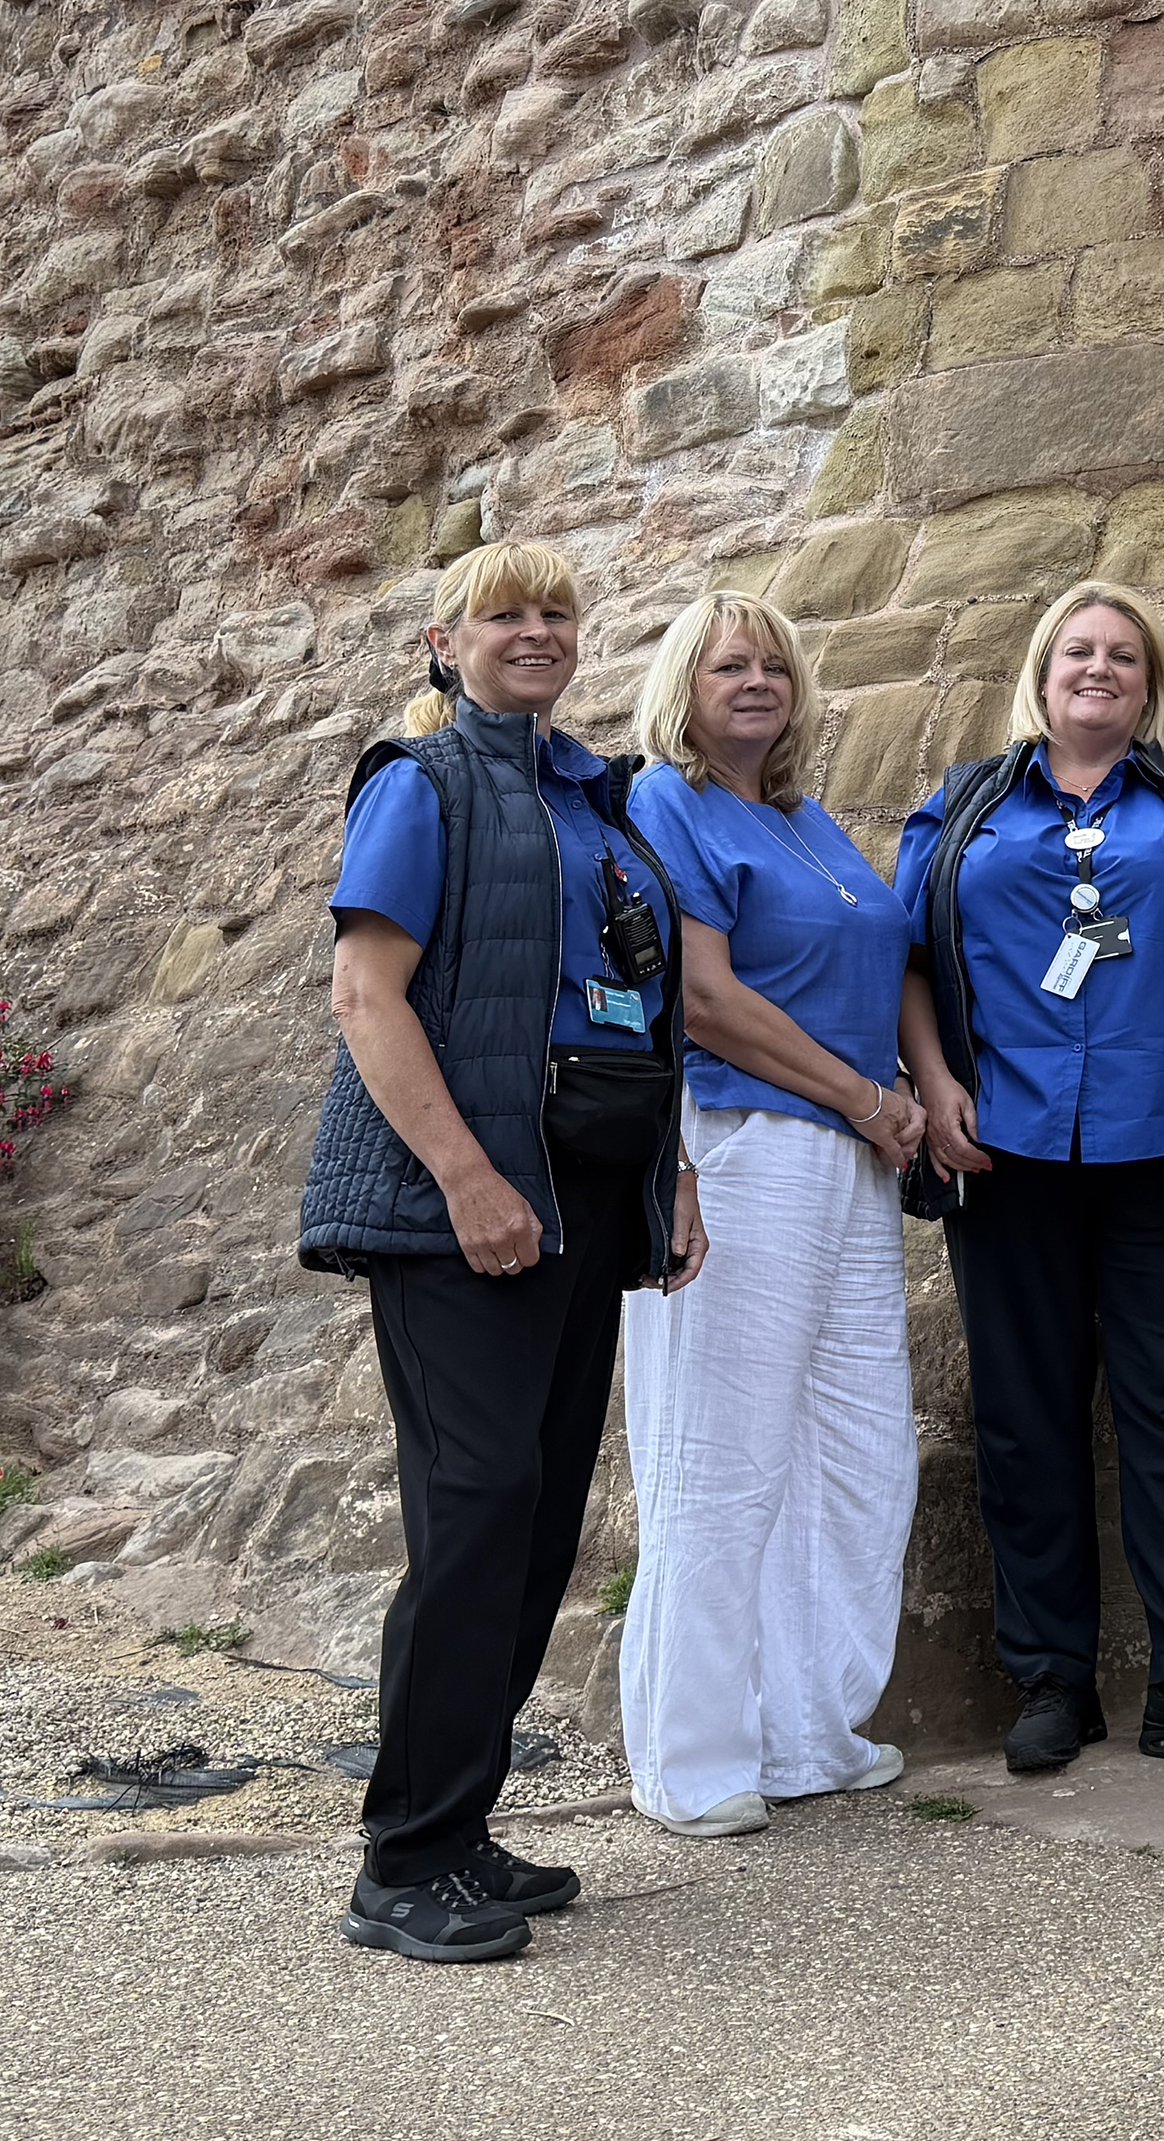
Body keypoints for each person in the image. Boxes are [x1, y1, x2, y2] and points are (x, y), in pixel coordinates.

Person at [301, 539, 707, 1963]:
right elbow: (368, 994)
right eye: (504, 616)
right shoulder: (423, 786)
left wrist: (673, 1182)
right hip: (459, 1208)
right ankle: (402, 1863)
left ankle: (461, 1829)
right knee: (474, 1512)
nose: (535, 634)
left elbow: (639, 1011)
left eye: (556, 614)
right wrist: (467, 1178)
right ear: (443, 640)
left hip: (581, 1201)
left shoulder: (590, 799)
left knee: (532, 1525)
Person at [895, 582, 1164, 1779]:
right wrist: (931, 1083)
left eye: (1124, 655)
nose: (1100, 667)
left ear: (1150, 684)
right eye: (1078, 649)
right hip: (1004, 1155)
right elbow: (911, 957)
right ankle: (1051, 1680)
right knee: (1025, 1421)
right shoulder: (964, 805)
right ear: (1040, 670)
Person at [618, 590, 925, 1840]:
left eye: (774, 666)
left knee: (856, 1453)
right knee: (722, 1458)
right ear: (684, 686)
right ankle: (690, 1756)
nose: (756, 682)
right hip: (742, 1142)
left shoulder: (804, 820)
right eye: (728, 665)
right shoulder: (664, 804)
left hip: (848, 1160)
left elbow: (885, 965)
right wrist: (865, 1094)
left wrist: (906, 1092)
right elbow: (702, 997)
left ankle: (810, 1727)